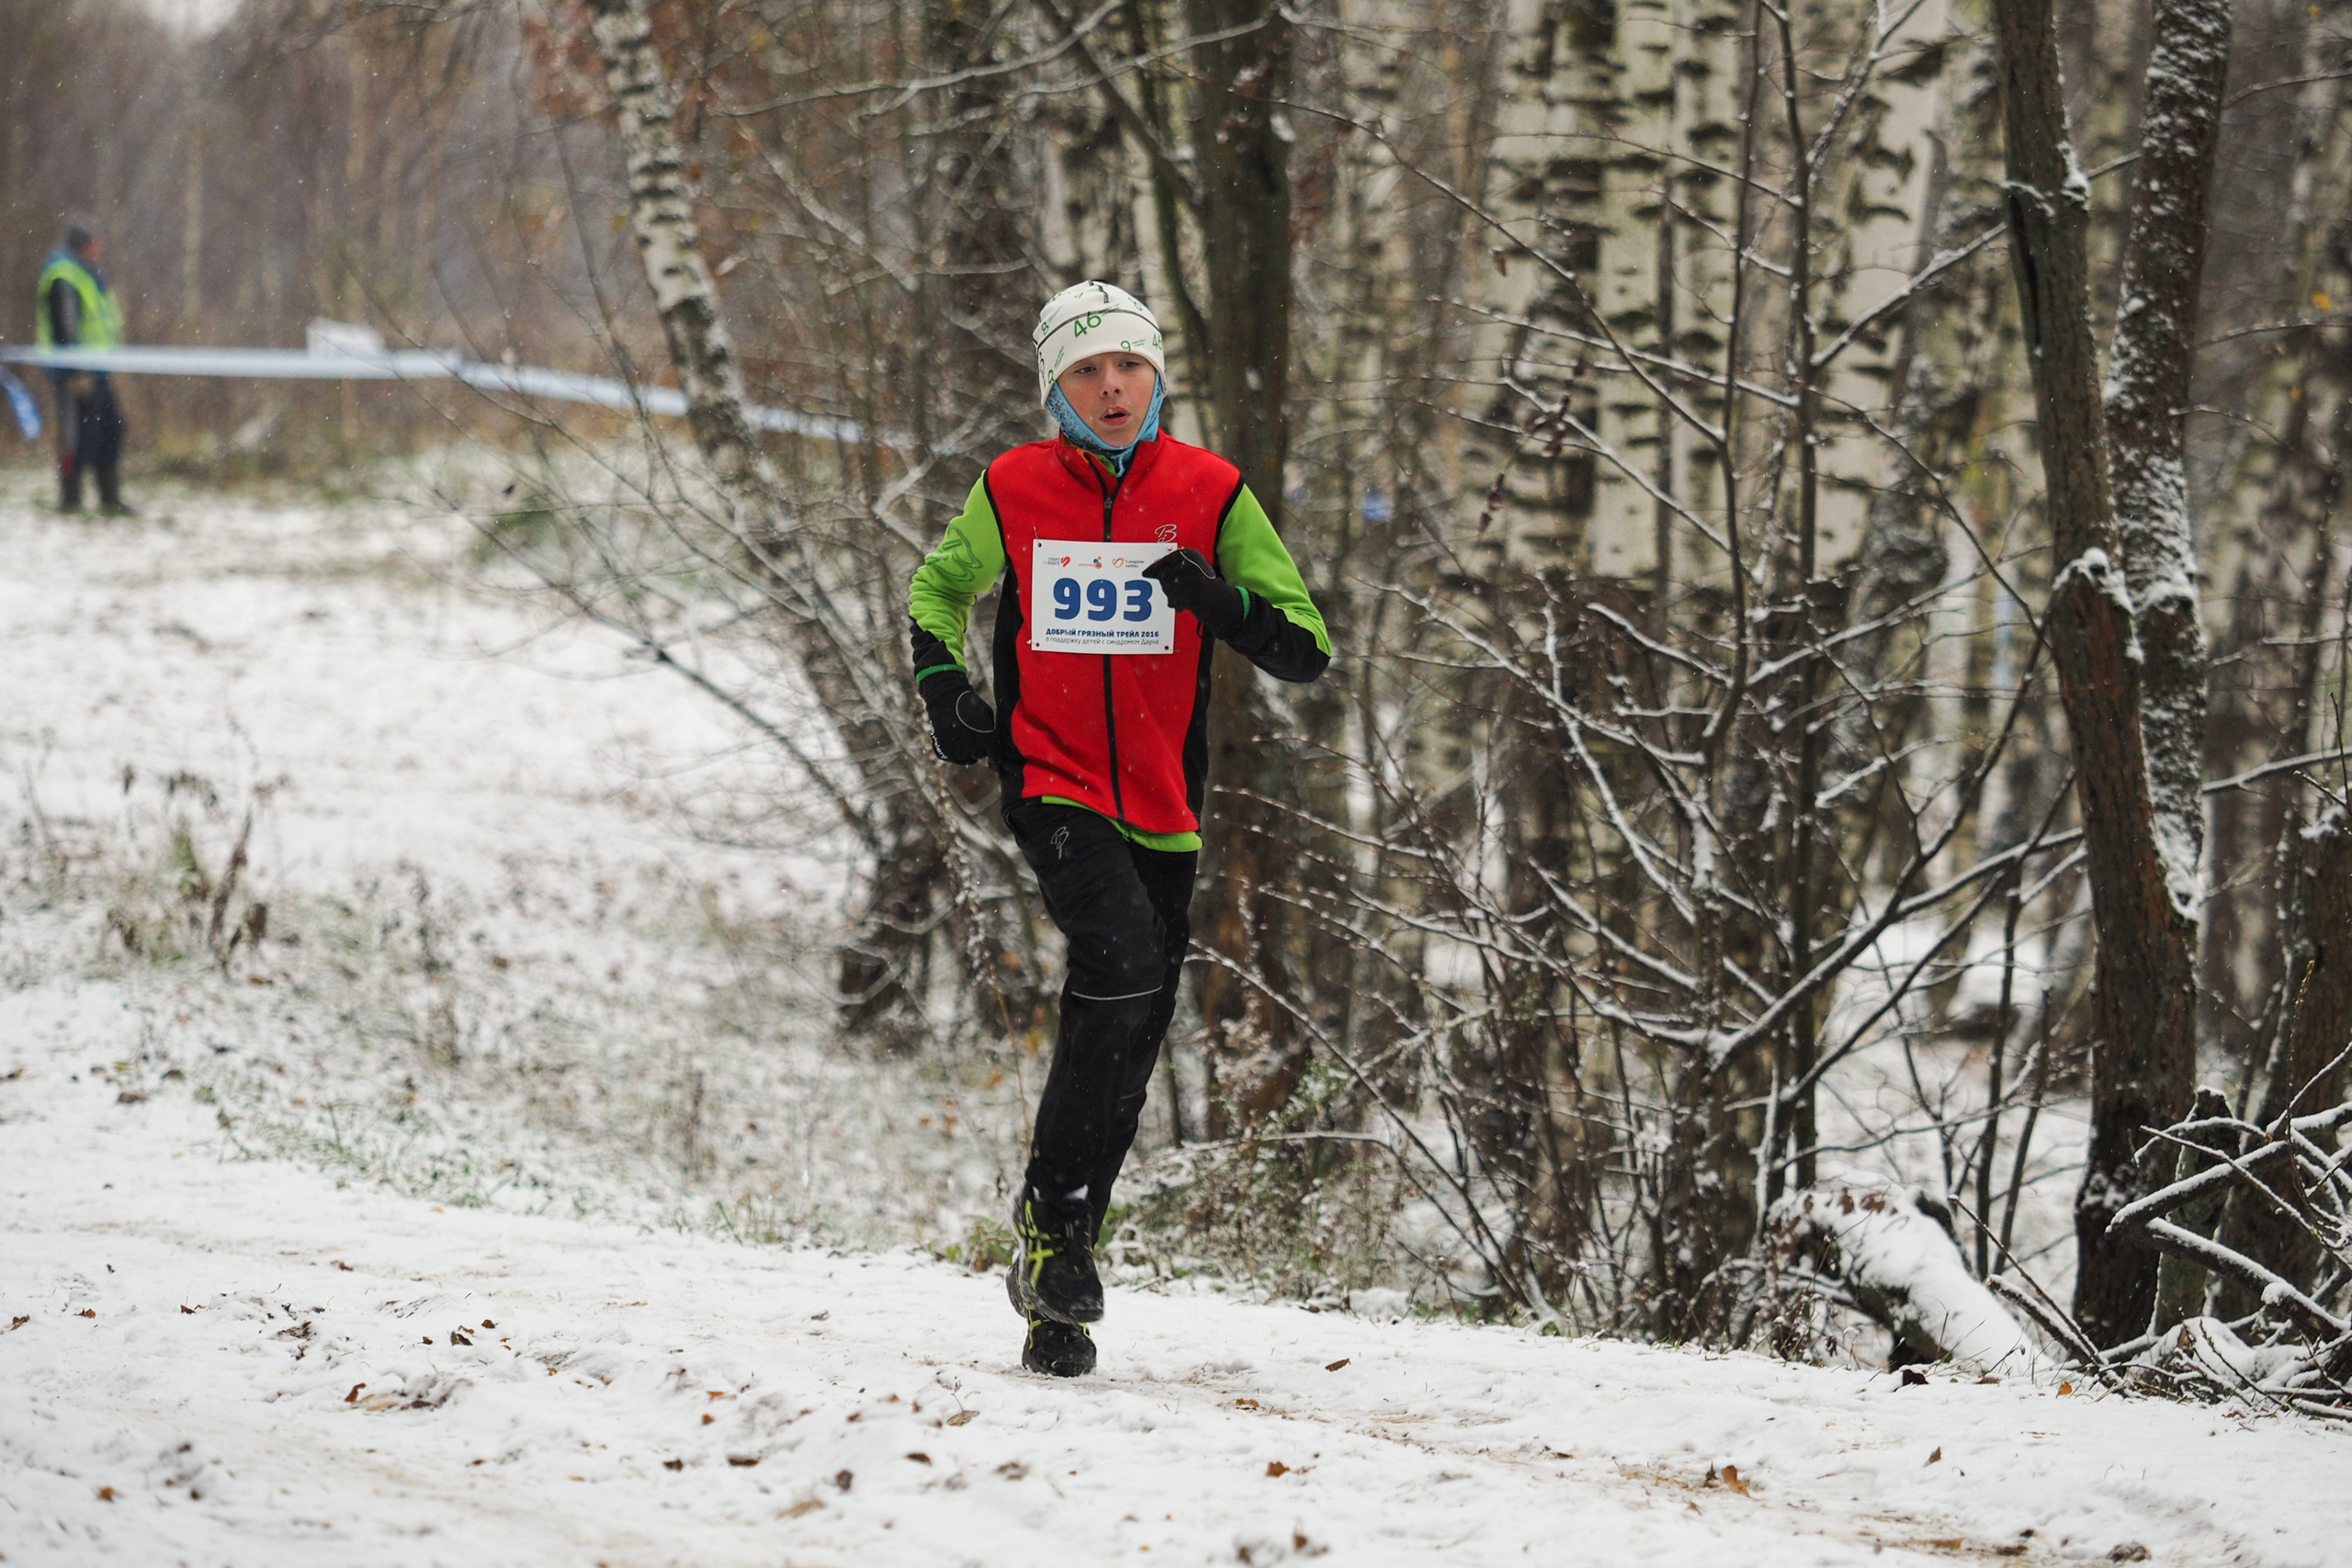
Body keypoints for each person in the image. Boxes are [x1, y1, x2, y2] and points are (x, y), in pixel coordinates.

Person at [906, 280, 1331, 1378]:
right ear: (1056, 387)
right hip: (1052, 782)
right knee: (1121, 959)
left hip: (1164, 805)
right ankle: (1053, 1222)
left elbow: (1305, 646)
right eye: (1086, 370)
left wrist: (1215, 600)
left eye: (1128, 368)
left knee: (1134, 1024)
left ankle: (1059, 1264)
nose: (1110, 388)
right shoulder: (1013, 487)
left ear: (1155, 379)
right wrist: (947, 689)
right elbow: (935, 593)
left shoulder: (1210, 490)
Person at [36, 219, 132, 515]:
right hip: (75, 374)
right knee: (76, 436)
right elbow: (65, 328)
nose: (98, 250)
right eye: (94, 244)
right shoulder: (64, 275)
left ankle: (109, 496)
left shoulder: (86, 273)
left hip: (98, 370)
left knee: (112, 429)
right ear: (83, 244)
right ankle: (71, 498)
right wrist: (76, 371)